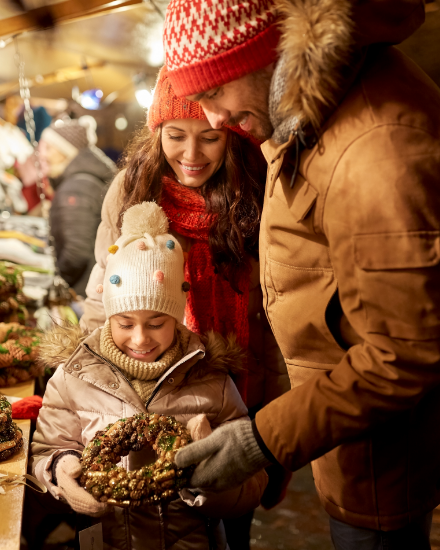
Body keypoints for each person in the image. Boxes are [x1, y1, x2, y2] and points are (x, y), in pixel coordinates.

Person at [162, 0, 440, 548]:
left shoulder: (378, 149)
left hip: (381, 453)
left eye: (215, 93)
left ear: (269, 56)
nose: (212, 120)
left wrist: (260, 439)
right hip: (348, 425)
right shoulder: (312, 107)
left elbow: (403, 354)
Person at [81, 67, 292, 547]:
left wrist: (282, 414)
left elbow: (276, 311)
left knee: (236, 515)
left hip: (243, 381)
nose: (190, 155)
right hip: (158, 381)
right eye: (176, 135)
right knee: (161, 516)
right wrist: (95, 379)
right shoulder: (132, 190)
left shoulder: (256, 191)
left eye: (210, 138)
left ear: (230, 136)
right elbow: (104, 291)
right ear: (157, 133)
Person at [32, 201, 268, 549]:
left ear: (178, 318)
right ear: (108, 316)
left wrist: (207, 474)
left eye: (157, 323)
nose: (140, 338)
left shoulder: (213, 383)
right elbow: (46, 451)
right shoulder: (74, 378)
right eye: (125, 324)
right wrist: (61, 472)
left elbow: (251, 487)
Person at [45, 121, 117, 300]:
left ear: (65, 151)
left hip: (84, 291)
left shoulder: (77, 187)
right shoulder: (84, 179)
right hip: (93, 285)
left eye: (50, 148)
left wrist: (59, 283)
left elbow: (76, 252)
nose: (45, 155)